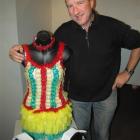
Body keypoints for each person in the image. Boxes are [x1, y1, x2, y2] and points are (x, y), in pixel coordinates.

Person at [9, 0, 140, 140]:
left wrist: (127, 73)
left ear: (92, 2)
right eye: (70, 6)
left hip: (106, 96)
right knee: (81, 134)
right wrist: (18, 51)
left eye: (80, 3)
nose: (75, 11)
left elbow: (137, 43)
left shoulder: (112, 26)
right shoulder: (63, 31)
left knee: (102, 134)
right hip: (77, 100)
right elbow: (43, 50)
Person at [13, 30, 73, 140]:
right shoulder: (23, 52)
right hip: (32, 111)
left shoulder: (64, 50)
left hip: (58, 112)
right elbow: (13, 52)